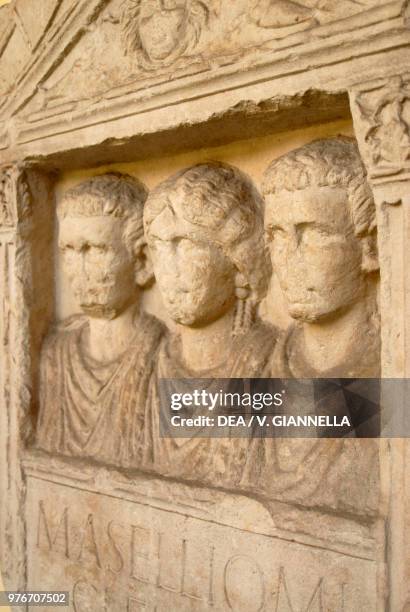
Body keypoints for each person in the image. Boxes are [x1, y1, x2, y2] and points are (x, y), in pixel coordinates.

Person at [141, 161, 278, 485]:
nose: (168, 267)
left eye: (185, 244)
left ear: (239, 262)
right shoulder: (154, 357)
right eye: (159, 246)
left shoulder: (271, 360)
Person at [36, 172, 164, 465]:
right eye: (68, 251)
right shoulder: (56, 354)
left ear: (141, 261)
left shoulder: (162, 355)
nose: (79, 270)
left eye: (95, 249)